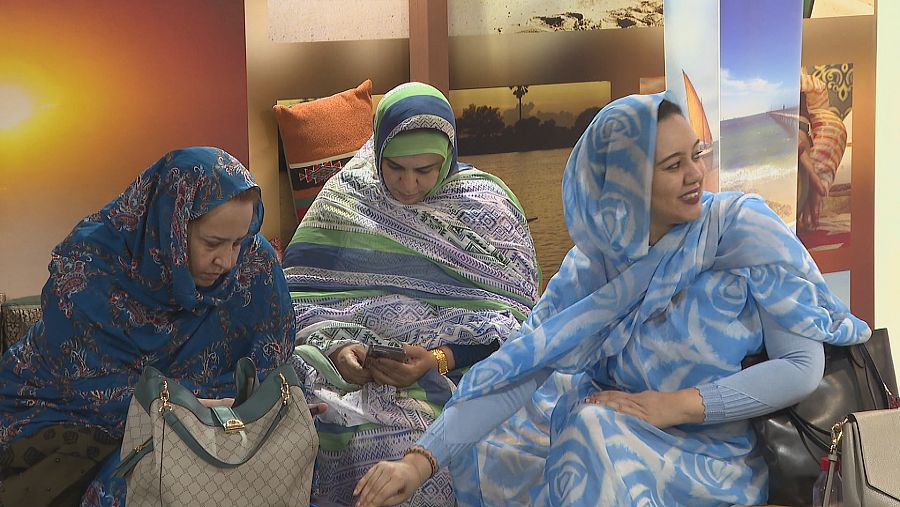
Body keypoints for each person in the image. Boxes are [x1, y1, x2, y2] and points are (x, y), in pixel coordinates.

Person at [353, 93, 871, 507]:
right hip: (608, 426)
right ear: (624, 183)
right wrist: (417, 463)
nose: (695, 175)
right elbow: (522, 366)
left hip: (713, 449)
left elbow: (801, 365)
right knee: (524, 436)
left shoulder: (738, 229)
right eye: (672, 166)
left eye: (695, 155)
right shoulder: (593, 266)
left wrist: (669, 407)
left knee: (592, 429)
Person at [285, 82, 540, 506]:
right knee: (311, 413)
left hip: (461, 371)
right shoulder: (344, 199)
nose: (408, 184)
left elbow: (520, 326)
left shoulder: (488, 207)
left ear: (449, 156)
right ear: (378, 150)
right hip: (352, 375)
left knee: (466, 434)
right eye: (396, 168)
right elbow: (300, 304)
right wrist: (340, 349)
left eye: (425, 170)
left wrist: (438, 358)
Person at [0, 147, 297, 506]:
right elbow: (90, 390)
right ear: (168, 227)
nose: (228, 261)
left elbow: (272, 366)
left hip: (213, 417)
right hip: (66, 413)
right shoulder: (88, 272)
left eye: (238, 242)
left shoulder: (254, 266)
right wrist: (186, 408)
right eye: (213, 243)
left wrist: (270, 405)